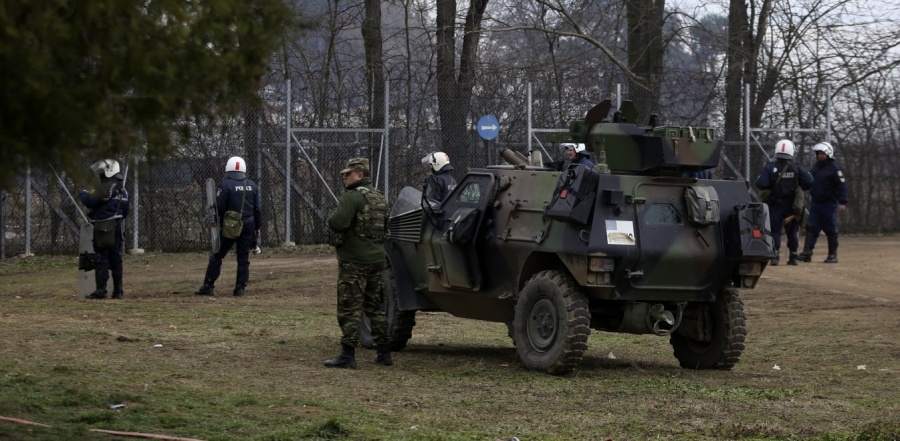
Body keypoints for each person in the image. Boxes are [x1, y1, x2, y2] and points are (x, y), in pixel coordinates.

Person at [324, 158, 392, 369]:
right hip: (377, 260)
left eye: (348, 174)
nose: (344, 177)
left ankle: (348, 354)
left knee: (349, 307)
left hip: (354, 261)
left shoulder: (352, 198)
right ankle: (384, 352)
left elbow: (337, 223)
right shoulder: (380, 198)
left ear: (360, 175)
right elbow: (386, 228)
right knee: (376, 307)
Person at [195, 156, 261, 297]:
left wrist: (214, 220)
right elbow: (258, 209)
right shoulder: (252, 185)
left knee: (217, 255)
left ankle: (208, 285)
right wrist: (257, 227)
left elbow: (220, 206)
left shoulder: (225, 185)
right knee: (243, 257)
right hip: (249, 225)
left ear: (228, 169)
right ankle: (240, 288)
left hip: (230, 226)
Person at [755, 139, 813, 266]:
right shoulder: (796, 168)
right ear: (791, 152)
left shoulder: (770, 167)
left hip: (775, 205)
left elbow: (761, 183)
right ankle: (792, 256)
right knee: (792, 232)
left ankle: (775, 256)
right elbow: (809, 181)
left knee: (775, 231)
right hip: (792, 207)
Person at [79, 159, 130, 299]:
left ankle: (101, 290)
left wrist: (82, 192)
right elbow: (126, 212)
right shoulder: (123, 190)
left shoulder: (104, 188)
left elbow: (89, 201)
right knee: (116, 259)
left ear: (107, 172)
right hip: (117, 227)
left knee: (102, 258)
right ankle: (118, 290)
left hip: (103, 228)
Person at [799, 142, 848, 263]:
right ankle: (807, 253)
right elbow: (810, 181)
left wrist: (842, 202)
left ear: (828, 154)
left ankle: (832, 255)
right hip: (816, 203)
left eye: (822, 153)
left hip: (829, 203)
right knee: (811, 227)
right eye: (818, 154)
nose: (820, 156)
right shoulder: (815, 167)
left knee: (830, 228)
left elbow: (842, 186)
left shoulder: (835, 169)